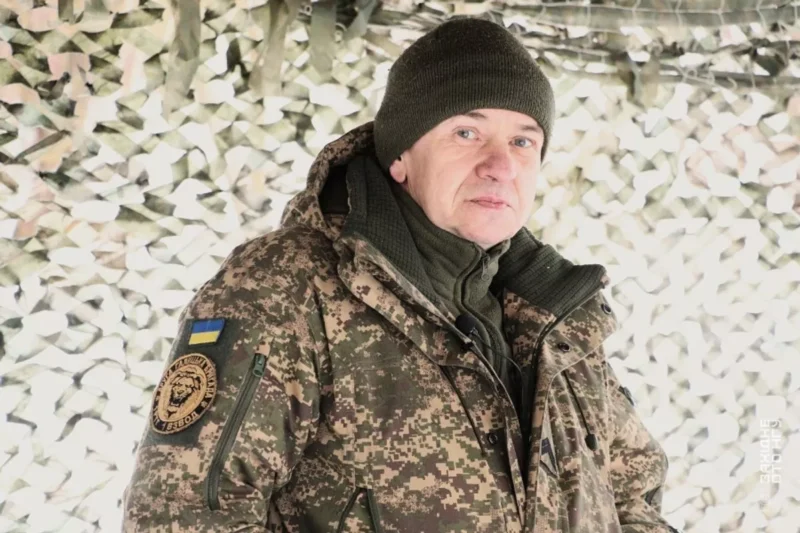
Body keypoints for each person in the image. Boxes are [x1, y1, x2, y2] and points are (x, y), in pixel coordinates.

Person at [123, 17, 680, 533]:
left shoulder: (556, 316)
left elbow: (634, 494)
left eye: (523, 141)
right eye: (467, 133)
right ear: (400, 156)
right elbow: (181, 515)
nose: (501, 165)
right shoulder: (288, 285)